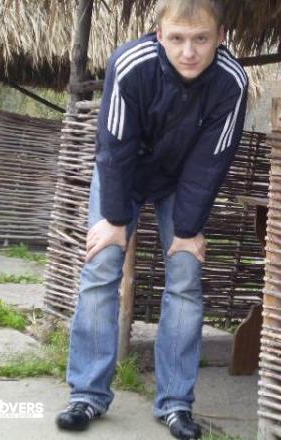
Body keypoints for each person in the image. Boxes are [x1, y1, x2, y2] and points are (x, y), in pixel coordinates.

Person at [55, 1, 248, 439]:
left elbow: (211, 161)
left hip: (182, 178)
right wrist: (114, 219)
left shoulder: (231, 82)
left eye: (201, 39)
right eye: (177, 38)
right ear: (159, 35)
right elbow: (114, 146)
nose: (188, 52)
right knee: (102, 263)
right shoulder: (130, 63)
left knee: (185, 273)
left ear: (220, 38)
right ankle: (87, 395)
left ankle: (176, 403)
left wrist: (187, 230)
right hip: (124, 171)